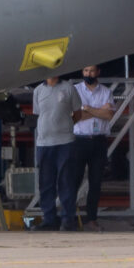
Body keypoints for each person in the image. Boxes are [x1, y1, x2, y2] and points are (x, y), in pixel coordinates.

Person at [29, 72, 78, 230]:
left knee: (66, 181)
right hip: (44, 142)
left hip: (65, 141)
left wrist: (66, 127)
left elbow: (78, 112)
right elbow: (39, 113)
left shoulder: (68, 88)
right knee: (46, 182)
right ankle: (49, 219)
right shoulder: (38, 90)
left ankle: (67, 219)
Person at [69, 65, 115, 228]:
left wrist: (88, 109)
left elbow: (109, 115)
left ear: (98, 72)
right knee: (74, 180)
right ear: (82, 72)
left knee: (96, 182)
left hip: (99, 140)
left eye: (92, 71)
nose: (89, 74)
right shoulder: (74, 90)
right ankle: (69, 218)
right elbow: (75, 117)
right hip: (79, 140)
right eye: (86, 71)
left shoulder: (105, 91)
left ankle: (92, 218)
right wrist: (98, 111)